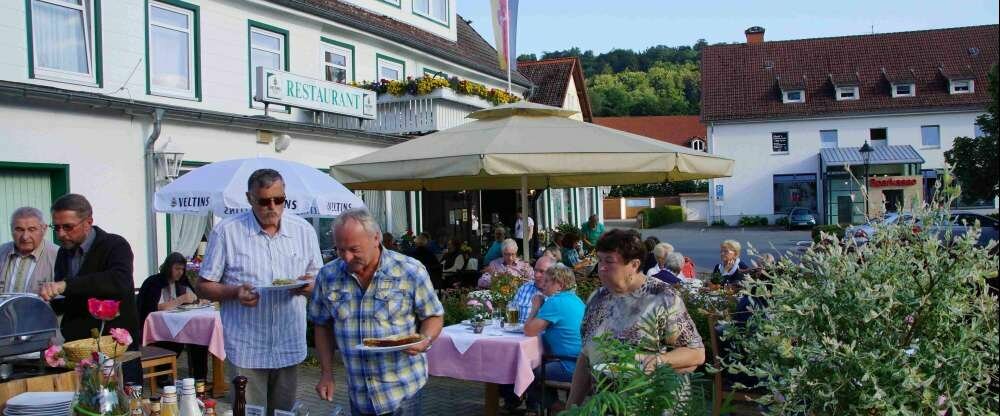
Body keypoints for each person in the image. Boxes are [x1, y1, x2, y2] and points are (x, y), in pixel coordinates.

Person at [196, 169, 321, 414]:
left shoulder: (303, 230)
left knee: (284, 413)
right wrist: (235, 292)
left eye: (279, 200)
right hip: (247, 347)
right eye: (264, 201)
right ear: (249, 198)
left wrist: (310, 286)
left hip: (288, 343)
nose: (272, 207)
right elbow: (203, 285)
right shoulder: (227, 232)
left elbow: (319, 279)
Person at [310, 208, 444, 416]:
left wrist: (425, 338)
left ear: (376, 238)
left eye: (354, 249)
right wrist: (326, 373)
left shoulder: (409, 270)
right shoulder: (328, 275)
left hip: (403, 391)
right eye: (339, 249)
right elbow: (321, 324)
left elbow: (433, 315)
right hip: (359, 393)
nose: (346, 257)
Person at [567, 229, 705, 408]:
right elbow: (585, 356)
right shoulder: (597, 298)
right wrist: (570, 407)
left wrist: (658, 361)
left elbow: (696, 353)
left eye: (609, 261)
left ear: (634, 264)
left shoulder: (662, 297)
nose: (601, 267)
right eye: (600, 260)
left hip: (653, 404)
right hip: (605, 405)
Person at [38, 194, 141, 383]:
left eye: (68, 227)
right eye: (56, 227)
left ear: (88, 222)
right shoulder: (64, 252)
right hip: (79, 348)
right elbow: (71, 298)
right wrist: (45, 302)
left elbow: (119, 281)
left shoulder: (115, 245)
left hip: (115, 346)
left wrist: (66, 285)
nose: (60, 234)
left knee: (126, 403)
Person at [523, 264, 585, 414]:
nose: (543, 285)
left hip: (569, 365)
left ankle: (561, 410)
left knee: (526, 373)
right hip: (581, 362)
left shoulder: (555, 301)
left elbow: (529, 330)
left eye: (548, 281)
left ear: (560, 285)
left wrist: (536, 307)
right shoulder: (576, 300)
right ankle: (560, 407)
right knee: (539, 369)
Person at [137, 252, 209, 380]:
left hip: (176, 323)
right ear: (168, 267)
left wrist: (198, 300)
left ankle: (199, 379)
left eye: (182, 269)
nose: (180, 272)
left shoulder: (181, 283)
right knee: (176, 340)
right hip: (156, 327)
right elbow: (153, 308)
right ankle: (162, 376)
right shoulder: (154, 282)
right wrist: (181, 299)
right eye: (177, 268)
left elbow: (192, 297)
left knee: (199, 339)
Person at [1, 207, 58, 294]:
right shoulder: (2, 252)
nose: (25, 237)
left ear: (44, 229)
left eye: (32, 229)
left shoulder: (58, 256)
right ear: (11, 229)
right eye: (19, 229)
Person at [510, 254, 557, 325]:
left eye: (542, 271)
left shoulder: (558, 294)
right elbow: (512, 312)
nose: (536, 275)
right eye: (535, 270)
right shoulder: (525, 288)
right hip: (520, 334)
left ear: (553, 274)